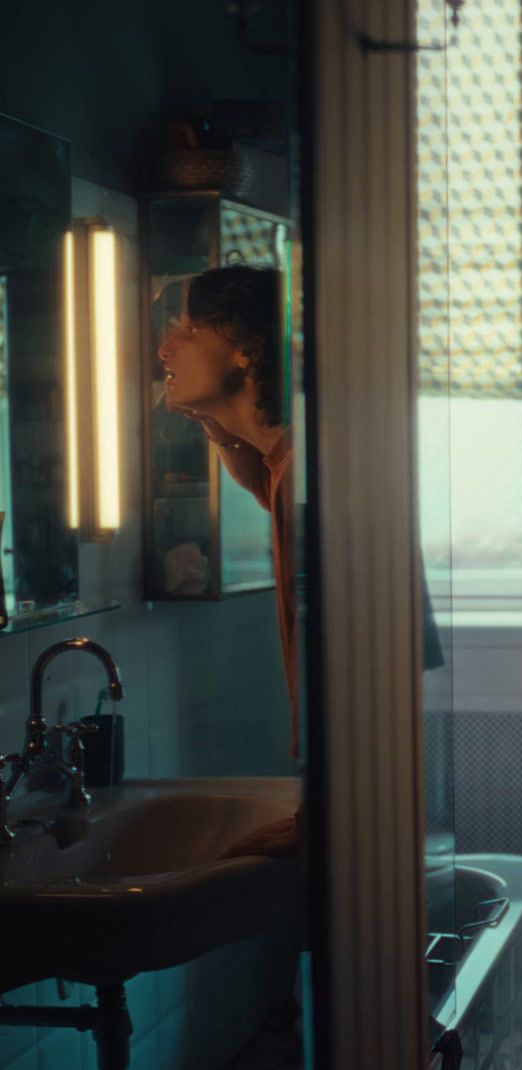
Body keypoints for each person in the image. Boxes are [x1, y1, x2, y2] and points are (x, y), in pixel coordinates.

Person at [158, 265, 298, 856]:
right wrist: (217, 421)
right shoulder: (295, 463)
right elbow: (264, 484)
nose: (164, 347)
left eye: (186, 330)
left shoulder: (312, 482)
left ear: (245, 348)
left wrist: (330, 808)